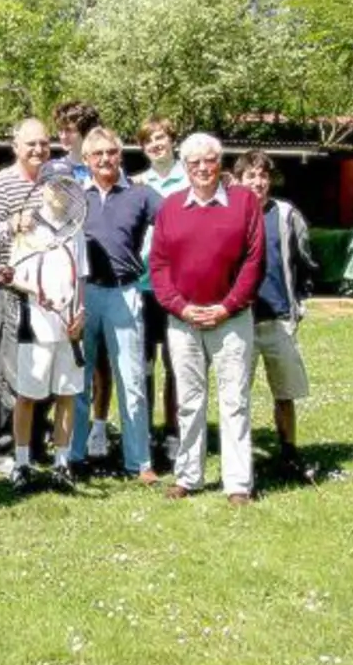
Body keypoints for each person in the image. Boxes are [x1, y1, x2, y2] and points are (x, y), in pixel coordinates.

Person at [148, 133, 265, 505]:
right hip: (183, 321)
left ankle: (237, 485)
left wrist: (228, 306)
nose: (202, 167)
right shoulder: (169, 208)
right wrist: (180, 306)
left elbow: (254, 260)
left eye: (209, 160)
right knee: (189, 402)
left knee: (234, 402)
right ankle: (188, 477)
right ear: (184, 166)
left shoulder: (245, 203)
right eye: (194, 162)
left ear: (221, 162)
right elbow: (159, 264)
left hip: (231, 319)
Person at [68, 128, 162, 484]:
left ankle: (140, 462)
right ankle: (74, 455)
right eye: (98, 154)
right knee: (79, 380)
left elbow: (175, 221)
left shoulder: (140, 194)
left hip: (125, 293)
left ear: (120, 155)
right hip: (85, 294)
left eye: (111, 152)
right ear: (88, 160)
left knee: (133, 380)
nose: (105, 159)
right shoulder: (76, 196)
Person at [0, 163, 90, 492]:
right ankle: (22, 464)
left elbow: (80, 278)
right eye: (55, 185)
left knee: (67, 393)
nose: (60, 192)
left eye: (67, 186)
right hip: (34, 323)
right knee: (27, 394)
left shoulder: (75, 228)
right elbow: (15, 274)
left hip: (69, 328)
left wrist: (80, 313)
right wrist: (38, 293)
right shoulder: (27, 225)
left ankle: (61, 464)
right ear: (43, 187)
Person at [232, 149, 317, 477]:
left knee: (285, 393)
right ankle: (241, 460)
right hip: (240, 321)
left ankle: (289, 453)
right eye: (251, 175)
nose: (258, 182)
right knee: (237, 395)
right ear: (238, 180)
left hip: (279, 319)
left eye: (263, 175)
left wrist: (299, 302)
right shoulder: (229, 214)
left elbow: (305, 261)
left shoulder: (285, 214)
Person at [0, 118, 54, 473]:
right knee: (8, 373)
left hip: (47, 290)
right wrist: (12, 225)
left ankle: (31, 440)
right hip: (9, 290)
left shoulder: (54, 182)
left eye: (43, 143)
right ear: (16, 147)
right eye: (31, 144)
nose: (38, 150)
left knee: (42, 371)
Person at [131, 117, 188, 460]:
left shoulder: (191, 178)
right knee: (143, 365)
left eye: (161, 137)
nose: (156, 144)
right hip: (142, 285)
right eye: (148, 141)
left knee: (176, 363)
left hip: (178, 286)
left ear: (172, 140)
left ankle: (173, 431)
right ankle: (145, 433)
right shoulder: (137, 184)